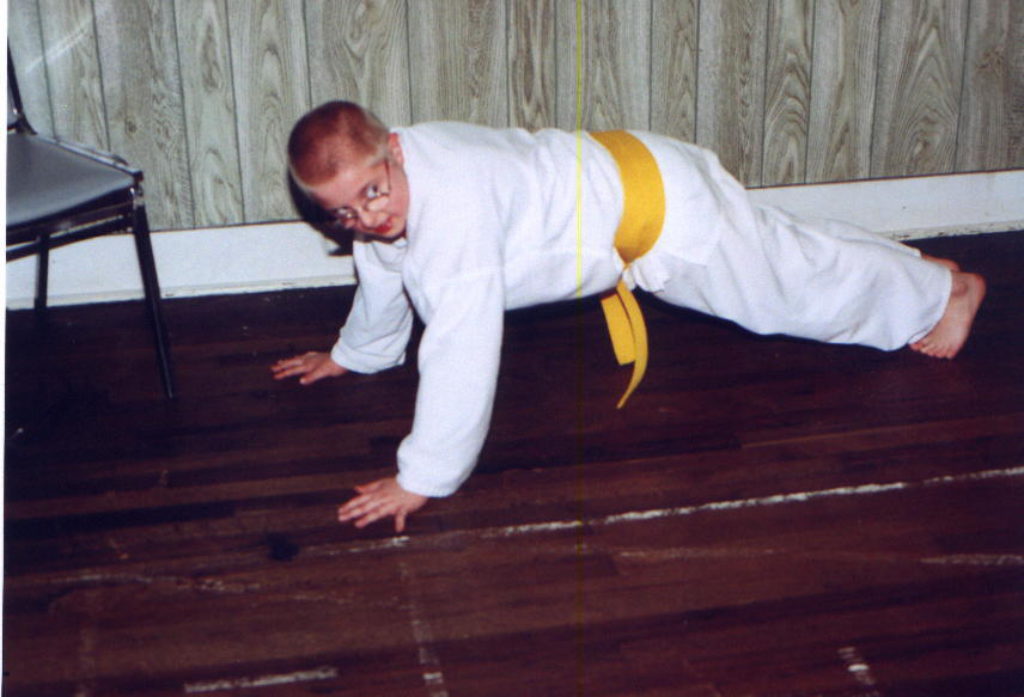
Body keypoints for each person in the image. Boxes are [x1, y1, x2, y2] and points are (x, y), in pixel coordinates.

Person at [272, 101, 986, 533]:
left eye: (373, 190)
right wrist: (355, 353)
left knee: (788, 292)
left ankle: (942, 296)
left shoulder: (451, 218)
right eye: (343, 211)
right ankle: (919, 273)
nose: (369, 216)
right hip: (636, 165)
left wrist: (421, 476)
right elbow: (384, 266)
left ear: (392, 149)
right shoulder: (405, 180)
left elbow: (460, 354)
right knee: (782, 252)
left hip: (662, 216)